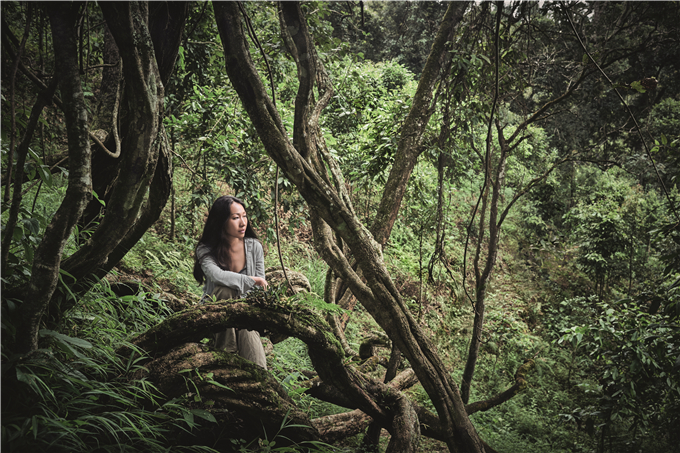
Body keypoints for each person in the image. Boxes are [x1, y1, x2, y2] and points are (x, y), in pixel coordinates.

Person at [193, 195, 268, 369]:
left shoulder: (254, 247)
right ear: (221, 221)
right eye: (235, 218)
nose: (243, 223)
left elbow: (259, 292)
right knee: (225, 289)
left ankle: (258, 377)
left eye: (244, 216)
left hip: (245, 313)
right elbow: (217, 276)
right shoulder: (205, 249)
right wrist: (251, 280)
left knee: (256, 364)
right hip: (214, 311)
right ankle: (228, 354)